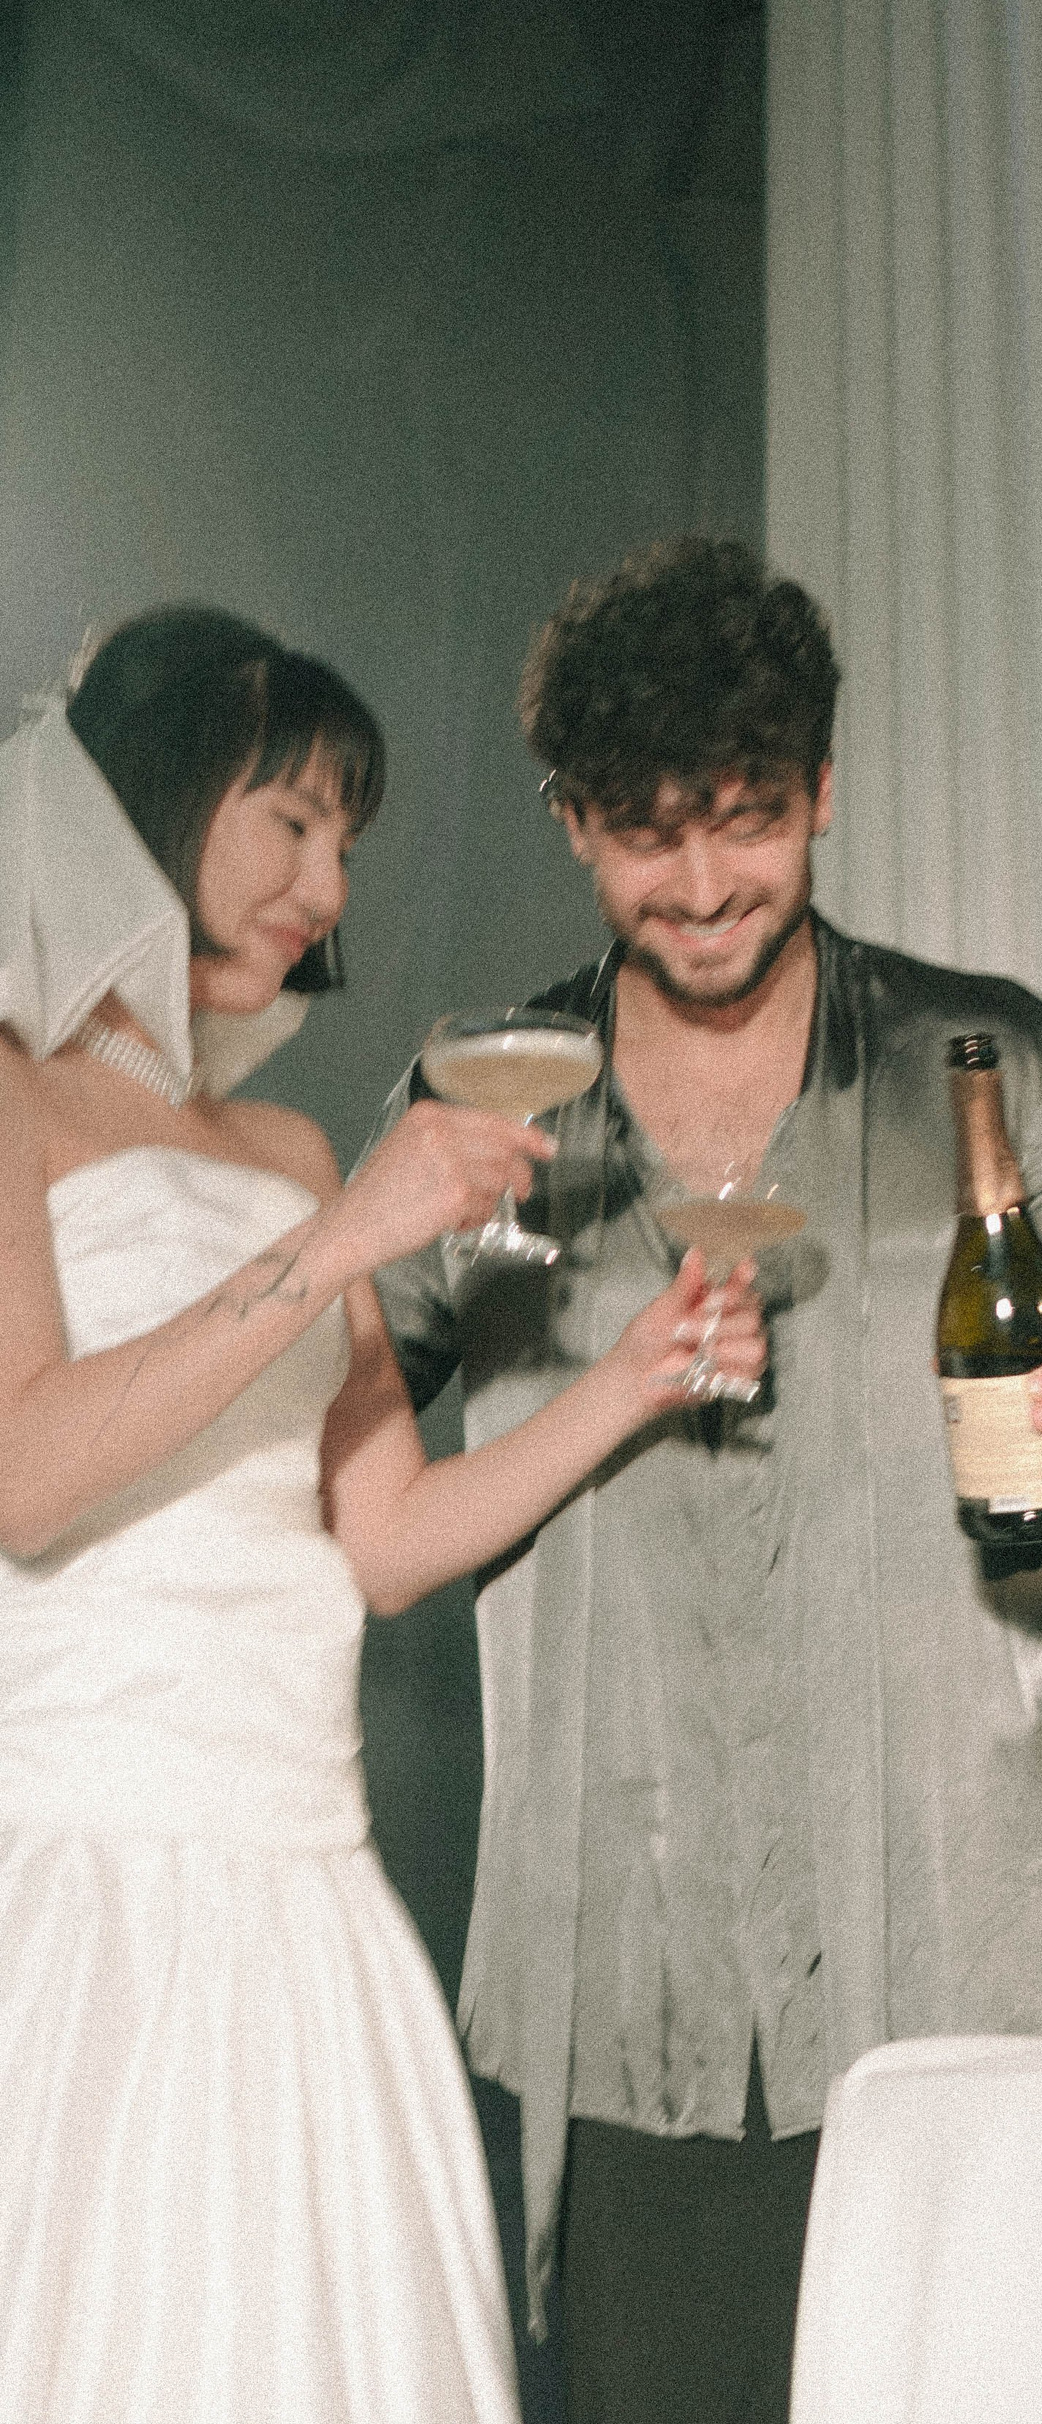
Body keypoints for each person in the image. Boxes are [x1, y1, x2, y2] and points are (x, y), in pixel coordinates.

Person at [368, 537, 1042, 2424]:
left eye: (750, 819)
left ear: (825, 792)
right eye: (647, 834)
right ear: (572, 823)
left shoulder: (980, 1057)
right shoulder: (484, 1105)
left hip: (966, 1929)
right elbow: (336, 1438)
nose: (704, 886)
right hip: (627, 1960)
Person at [0, 606, 764, 2424]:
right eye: (292, 823)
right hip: (101, 1872)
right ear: (147, 804)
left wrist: (634, 1378)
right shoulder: (12, 1103)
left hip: (308, 1888)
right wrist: (350, 1235)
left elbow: (384, 1539)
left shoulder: (280, 1150)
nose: (330, 888)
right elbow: (22, 1476)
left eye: (346, 841)